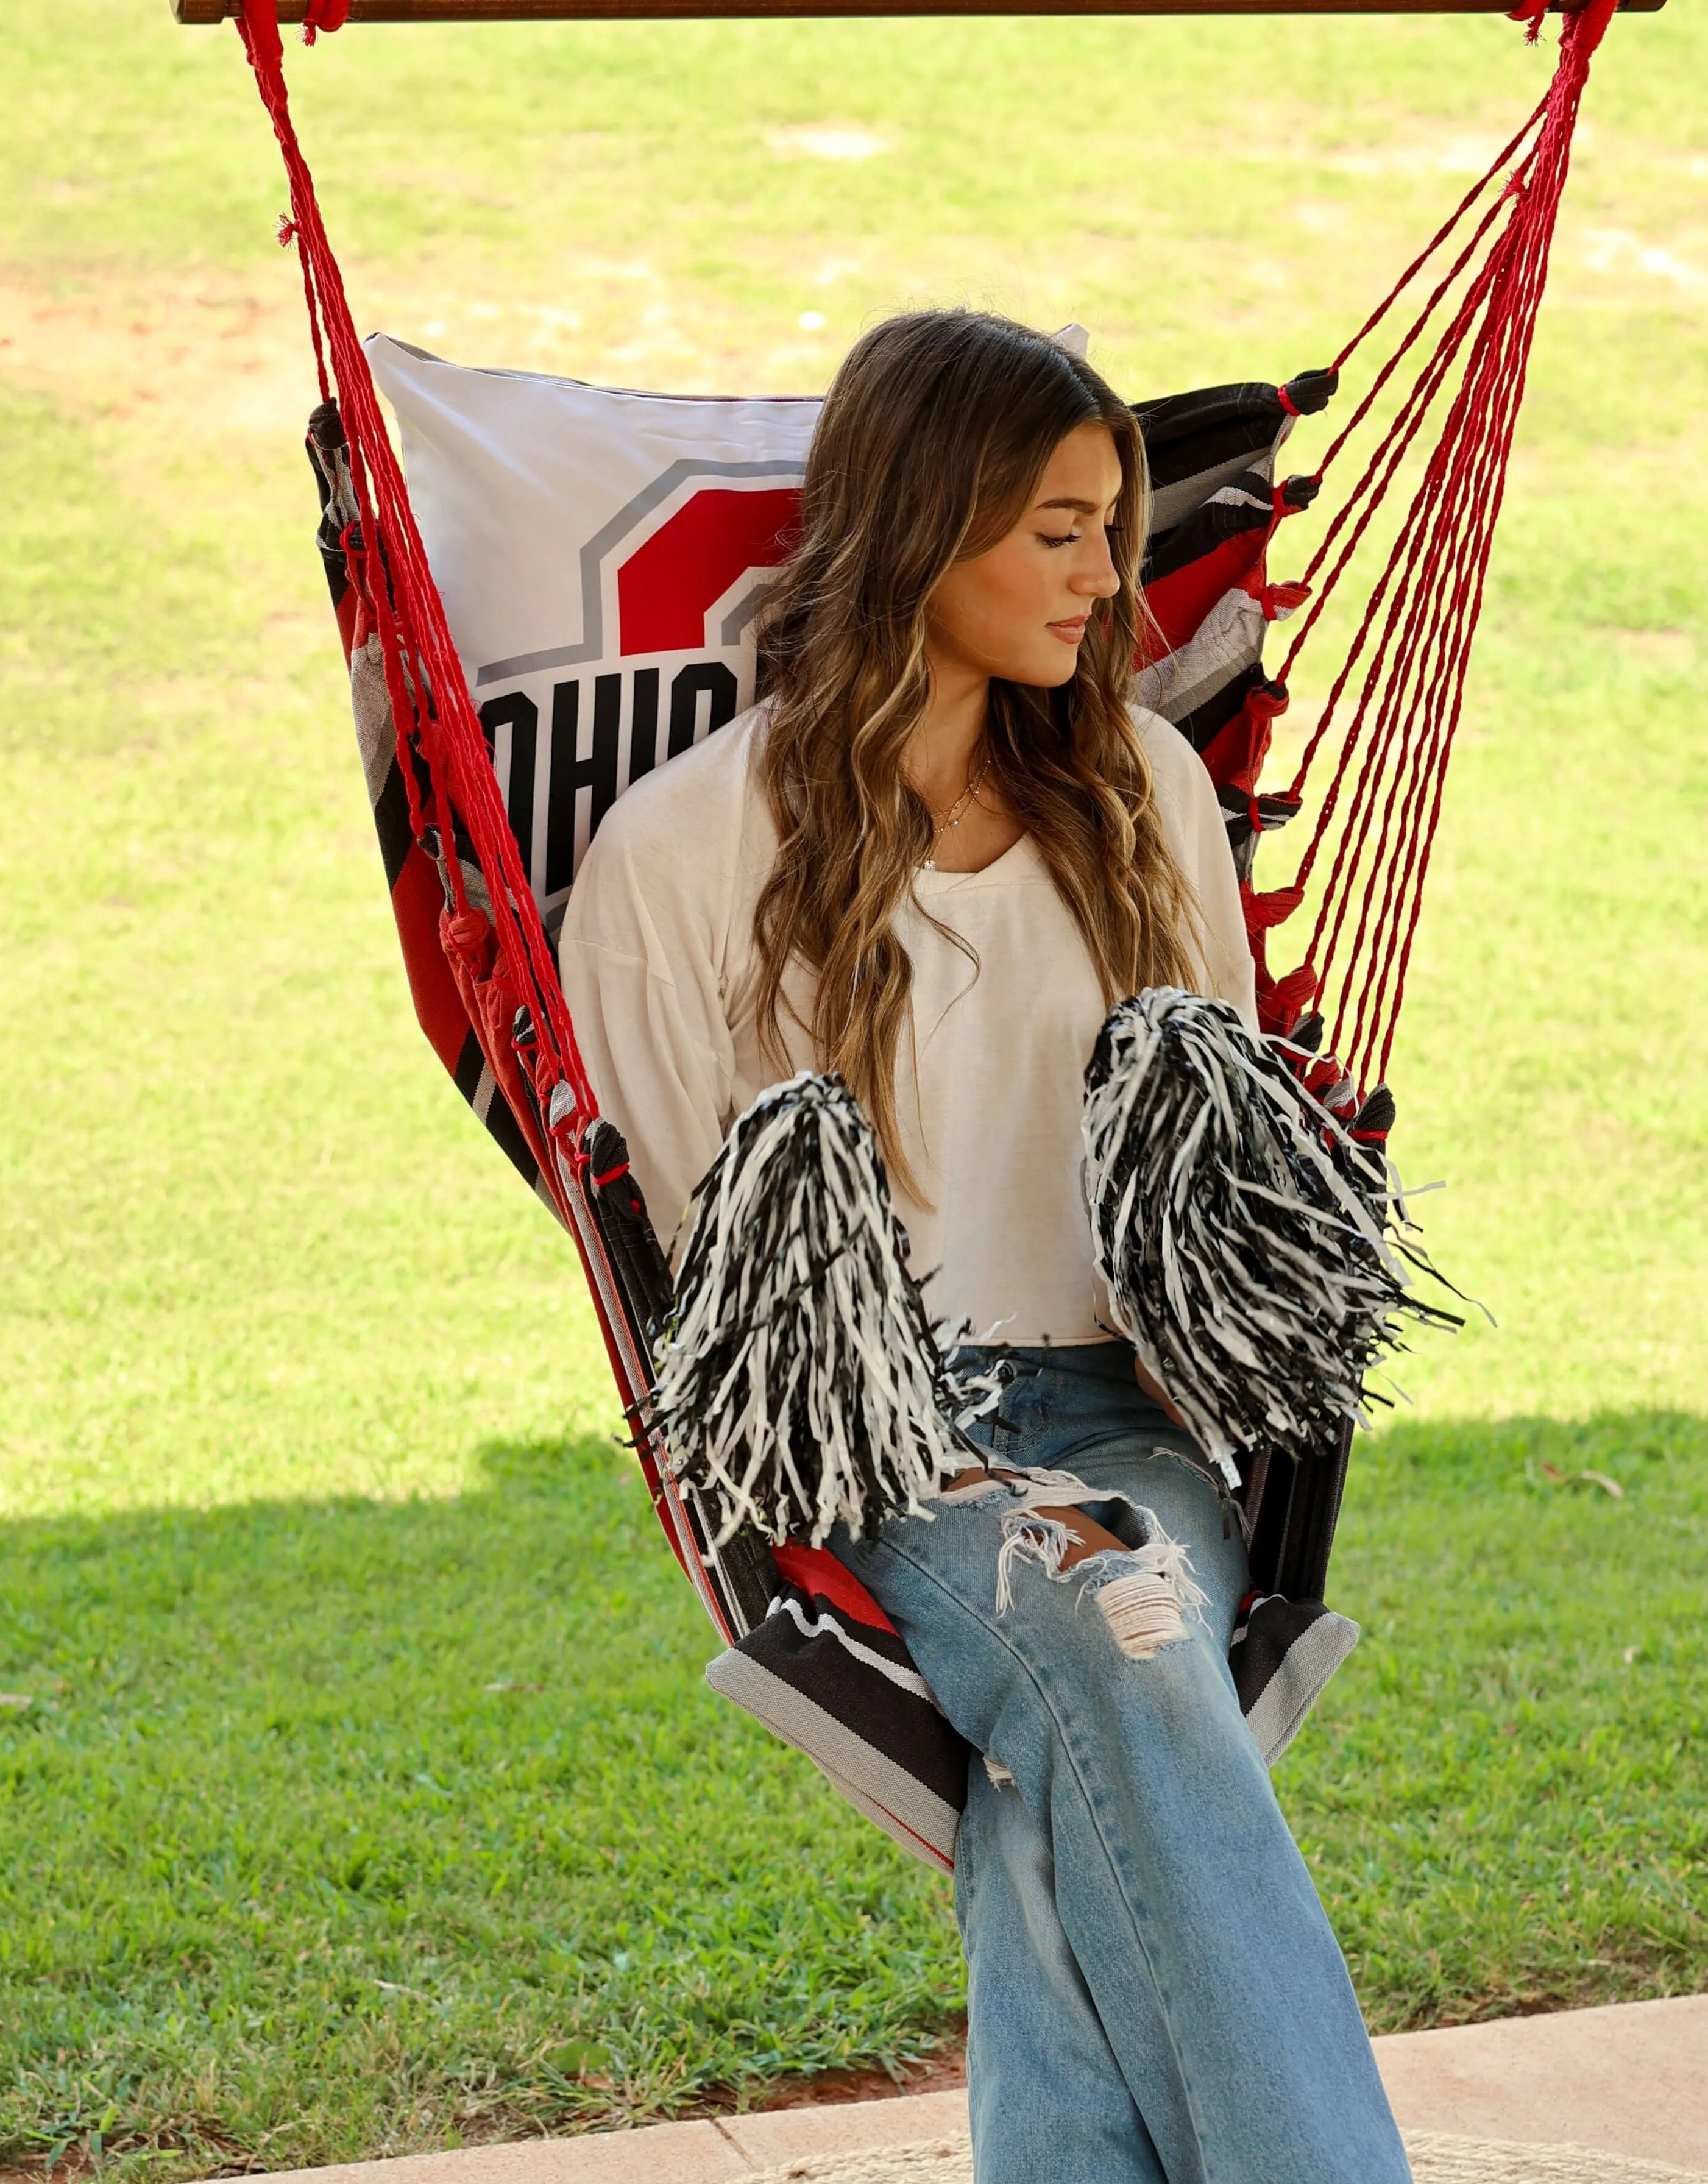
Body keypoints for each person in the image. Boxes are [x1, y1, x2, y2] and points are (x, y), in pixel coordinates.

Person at [561, 311, 1411, 2184]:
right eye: (1061, 529)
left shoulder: (1145, 801)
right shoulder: (684, 851)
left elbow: (1212, 1176)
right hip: (872, 1433)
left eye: (1115, 527)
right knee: (1121, 1640)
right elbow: (711, 1254)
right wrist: (910, 1439)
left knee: (1100, 1688)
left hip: (1118, 1410)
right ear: (924, 528)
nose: (1113, 580)